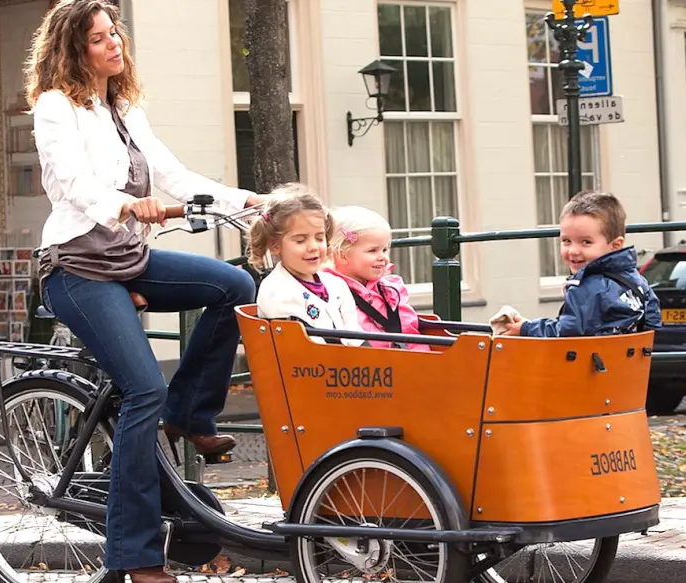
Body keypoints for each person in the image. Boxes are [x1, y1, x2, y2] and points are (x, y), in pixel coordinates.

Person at [24, 1, 264, 580]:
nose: (115, 45)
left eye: (116, 34)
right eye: (101, 38)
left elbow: (174, 176)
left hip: (127, 258)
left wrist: (245, 200)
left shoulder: (125, 108)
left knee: (236, 284)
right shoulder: (56, 108)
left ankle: (189, 412)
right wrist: (127, 204)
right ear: (74, 48)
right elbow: (70, 183)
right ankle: (134, 556)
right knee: (140, 390)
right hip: (76, 267)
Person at [491, 191, 661, 337]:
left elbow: (566, 332)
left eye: (586, 242)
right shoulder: (636, 281)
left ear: (615, 245)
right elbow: (652, 318)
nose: (573, 250)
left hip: (589, 371)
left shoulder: (587, 287)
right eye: (566, 241)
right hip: (627, 370)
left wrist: (527, 329)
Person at [249, 184, 366, 346]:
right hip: (307, 367)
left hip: (348, 367)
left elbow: (356, 335)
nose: (313, 247)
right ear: (275, 245)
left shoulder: (336, 284)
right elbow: (303, 349)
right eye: (300, 240)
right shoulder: (277, 291)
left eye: (319, 238)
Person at [323, 206, 429, 350]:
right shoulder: (330, 291)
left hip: (404, 363)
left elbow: (411, 334)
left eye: (385, 249)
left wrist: (423, 364)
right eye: (372, 250)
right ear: (342, 255)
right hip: (367, 367)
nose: (383, 257)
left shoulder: (390, 290)